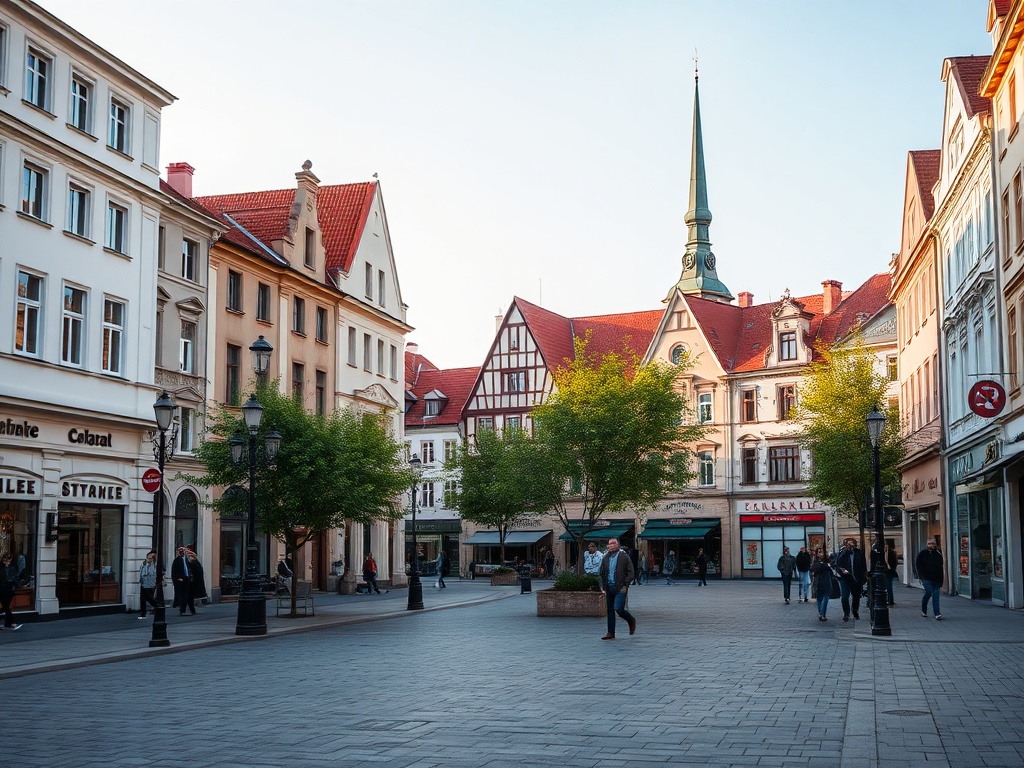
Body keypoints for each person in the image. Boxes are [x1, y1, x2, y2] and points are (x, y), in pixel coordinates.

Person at [598, 537, 636, 640]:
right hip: (608, 587)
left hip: (620, 587)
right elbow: (601, 572)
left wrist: (625, 584)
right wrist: (602, 585)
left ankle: (631, 620)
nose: (611, 545)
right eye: (609, 544)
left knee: (618, 609)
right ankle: (611, 632)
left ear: (617, 545)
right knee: (609, 610)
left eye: (613, 543)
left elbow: (631, 572)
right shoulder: (606, 557)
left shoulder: (624, 556)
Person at [834, 538, 867, 621]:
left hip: (855, 578)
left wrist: (863, 576)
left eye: (852, 543)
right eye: (848, 543)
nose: (850, 545)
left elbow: (863, 564)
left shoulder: (858, 552)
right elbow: (837, 563)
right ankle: (846, 613)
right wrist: (841, 570)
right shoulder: (842, 552)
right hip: (844, 578)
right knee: (845, 596)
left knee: (856, 596)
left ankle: (855, 611)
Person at [916, 538, 944, 620]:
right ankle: (923, 609)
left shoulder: (938, 554)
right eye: (930, 543)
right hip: (926, 578)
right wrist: (921, 576)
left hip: (936, 579)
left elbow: (940, 568)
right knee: (928, 591)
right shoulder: (922, 554)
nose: (932, 545)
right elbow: (918, 566)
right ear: (927, 544)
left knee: (936, 596)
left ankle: (937, 613)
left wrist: (941, 581)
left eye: (933, 543)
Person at [171, 546, 197, 616]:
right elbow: (174, 571)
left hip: (188, 579)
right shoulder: (177, 560)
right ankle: (183, 610)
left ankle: (192, 609)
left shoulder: (188, 560)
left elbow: (193, 567)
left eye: (183, 551)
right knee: (184, 596)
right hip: (182, 580)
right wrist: (177, 578)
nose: (182, 552)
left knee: (190, 596)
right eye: (180, 551)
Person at [0, 552, 23, 631]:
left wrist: (15, 585)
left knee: (6, 607)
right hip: (2, 590)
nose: (7, 563)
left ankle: (8, 624)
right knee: (6, 607)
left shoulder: (12, 568)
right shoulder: (0, 568)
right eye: (5, 561)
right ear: (3, 560)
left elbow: (15, 578)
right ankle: (11, 623)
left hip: (9, 590)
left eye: (8, 562)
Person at [810, 546, 832, 621]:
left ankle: (822, 614)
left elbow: (831, 569)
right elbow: (813, 569)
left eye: (822, 552)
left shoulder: (828, 560)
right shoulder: (815, 562)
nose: (821, 554)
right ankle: (821, 613)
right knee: (819, 598)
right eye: (819, 552)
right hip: (818, 582)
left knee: (826, 598)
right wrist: (822, 566)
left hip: (826, 581)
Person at [138, 550, 159, 619]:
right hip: (144, 582)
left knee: (148, 597)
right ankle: (143, 613)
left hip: (150, 583)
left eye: (151, 558)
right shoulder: (144, 564)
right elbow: (142, 572)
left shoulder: (154, 565)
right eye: (148, 557)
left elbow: (152, 573)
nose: (149, 559)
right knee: (143, 598)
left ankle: (157, 605)